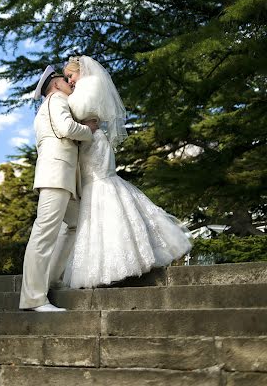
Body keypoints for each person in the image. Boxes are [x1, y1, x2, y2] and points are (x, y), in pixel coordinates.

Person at [62, 55, 193, 289]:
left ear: (78, 71)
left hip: (94, 145)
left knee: (101, 188)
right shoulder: (86, 85)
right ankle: (109, 261)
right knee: (98, 190)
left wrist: (63, 101)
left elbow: (81, 110)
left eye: (70, 76)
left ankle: (120, 260)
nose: (69, 81)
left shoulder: (88, 84)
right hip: (90, 142)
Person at [19, 65, 97, 311]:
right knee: (44, 233)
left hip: (63, 177)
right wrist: (89, 130)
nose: (69, 83)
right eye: (65, 80)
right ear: (54, 84)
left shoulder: (52, 103)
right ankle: (34, 299)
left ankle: (52, 279)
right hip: (55, 175)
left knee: (75, 225)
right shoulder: (57, 99)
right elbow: (66, 129)